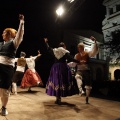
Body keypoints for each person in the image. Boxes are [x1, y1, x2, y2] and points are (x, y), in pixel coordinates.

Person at [0, 14, 24, 116]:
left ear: (10, 34)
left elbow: (19, 35)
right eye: (3, 32)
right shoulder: (1, 44)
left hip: (7, 68)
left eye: (5, 33)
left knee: (4, 89)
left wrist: (21, 22)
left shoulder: (14, 43)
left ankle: (4, 108)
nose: (2, 34)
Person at [44, 38, 79, 105]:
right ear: (64, 46)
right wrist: (78, 61)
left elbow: (48, 48)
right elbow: (70, 58)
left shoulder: (55, 50)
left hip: (55, 67)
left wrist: (46, 42)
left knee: (56, 81)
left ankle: (57, 97)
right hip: (63, 67)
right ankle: (59, 97)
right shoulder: (65, 51)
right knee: (62, 81)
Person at [74, 36, 99, 104]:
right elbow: (74, 63)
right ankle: (81, 90)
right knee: (77, 76)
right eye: (79, 48)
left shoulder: (87, 53)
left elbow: (94, 51)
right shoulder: (76, 55)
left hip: (86, 70)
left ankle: (87, 97)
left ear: (83, 48)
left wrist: (95, 42)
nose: (79, 49)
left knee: (88, 85)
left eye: (81, 47)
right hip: (79, 69)